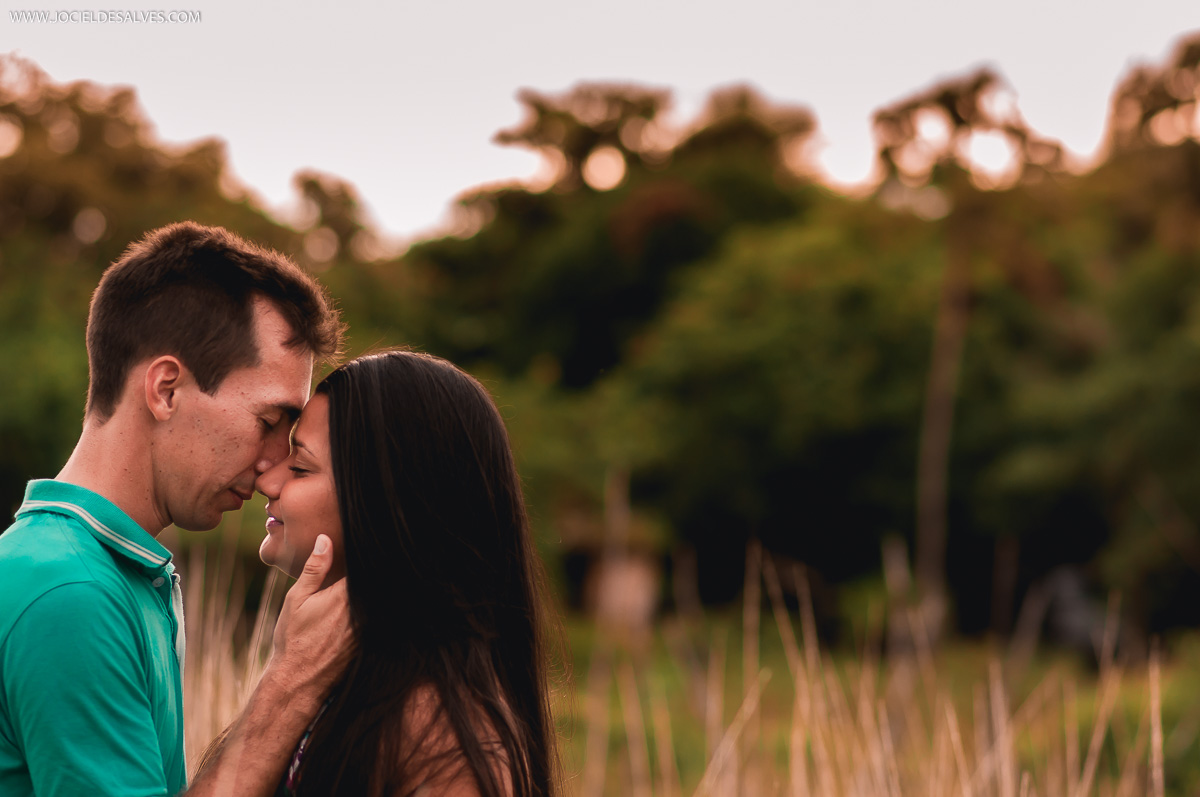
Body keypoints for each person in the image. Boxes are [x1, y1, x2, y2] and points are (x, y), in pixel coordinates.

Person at [0, 222, 354, 796]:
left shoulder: (104, 570)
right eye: (268, 422)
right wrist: (291, 682)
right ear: (166, 389)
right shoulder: (70, 592)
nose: (273, 465)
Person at [255, 349, 558, 797]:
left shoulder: (439, 738)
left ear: (383, 506)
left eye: (300, 466)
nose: (267, 481)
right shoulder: (355, 685)